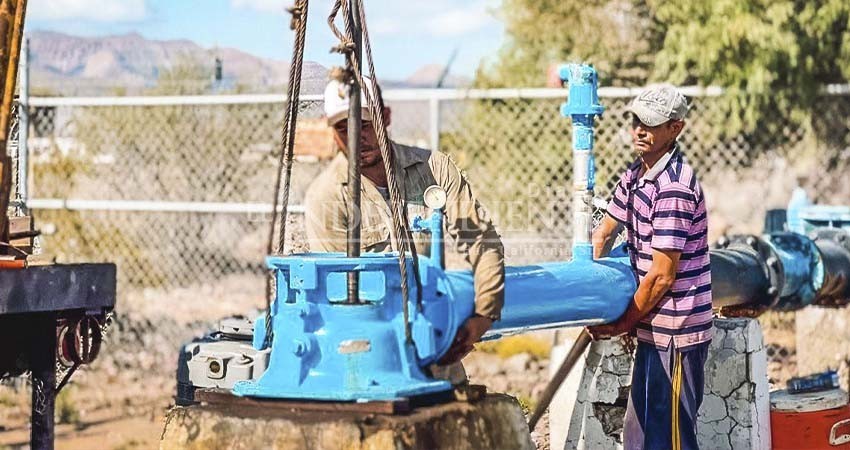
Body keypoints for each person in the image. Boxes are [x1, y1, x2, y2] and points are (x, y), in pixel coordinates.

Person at [305, 78, 505, 371]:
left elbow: (481, 240)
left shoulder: (433, 169)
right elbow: (334, 291)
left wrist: (482, 317)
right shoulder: (327, 196)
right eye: (343, 129)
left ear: (385, 117)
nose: (356, 138)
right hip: (367, 356)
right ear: (332, 133)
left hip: (434, 340)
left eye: (364, 124)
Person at [587, 85, 712, 450]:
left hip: (676, 332)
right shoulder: (635, 175)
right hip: (652, 327)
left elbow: (661, 275)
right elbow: (603, 233)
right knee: (639, 435)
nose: (640, 130)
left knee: (669, 438)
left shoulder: (673, 187)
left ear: (676, 128)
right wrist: (589, 294)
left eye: (652, 124)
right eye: (636, 121)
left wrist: (623, 322)